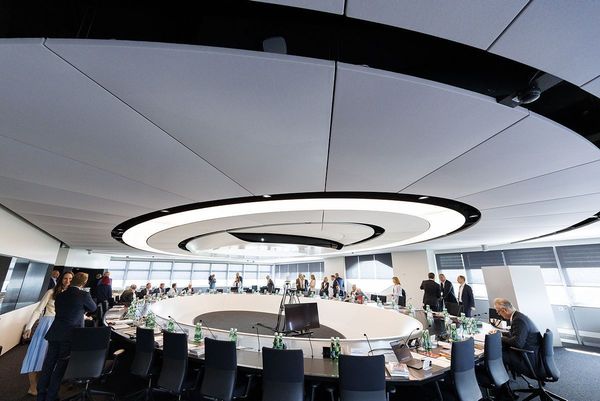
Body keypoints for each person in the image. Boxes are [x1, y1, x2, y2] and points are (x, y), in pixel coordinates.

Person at [37, 272, 97, 401]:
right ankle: (51, 396)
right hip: (70, 334)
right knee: (61, 365)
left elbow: (61, 310)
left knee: (48, 364)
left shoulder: (60, 295)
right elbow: (93, 308)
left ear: (72, 280)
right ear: (84, 283)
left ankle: (41, 393)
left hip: (55, 332)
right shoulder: (84, 295)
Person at [21, 271, 73, 396]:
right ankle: (32, 386)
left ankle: (47, 384)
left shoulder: (71, 294)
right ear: (61, 279)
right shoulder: (51, 292)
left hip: (61, 326)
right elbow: (38, 310)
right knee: (37, 354)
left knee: (54, 358)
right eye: (65, 278)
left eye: (70, 279)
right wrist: (29, 327)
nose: (67, 281)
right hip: (47, 325)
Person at [492, 298, 542, 377]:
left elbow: (517, 343)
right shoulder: (518, 316)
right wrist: (500, 333)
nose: (498, 314)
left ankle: (502, 381)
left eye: (498, 311)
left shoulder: (518, 320)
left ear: (504, 310)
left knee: (497, 355)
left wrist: (500, 337)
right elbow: (516, 334)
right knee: (503, 349)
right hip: (534, 353)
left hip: (528, 357)